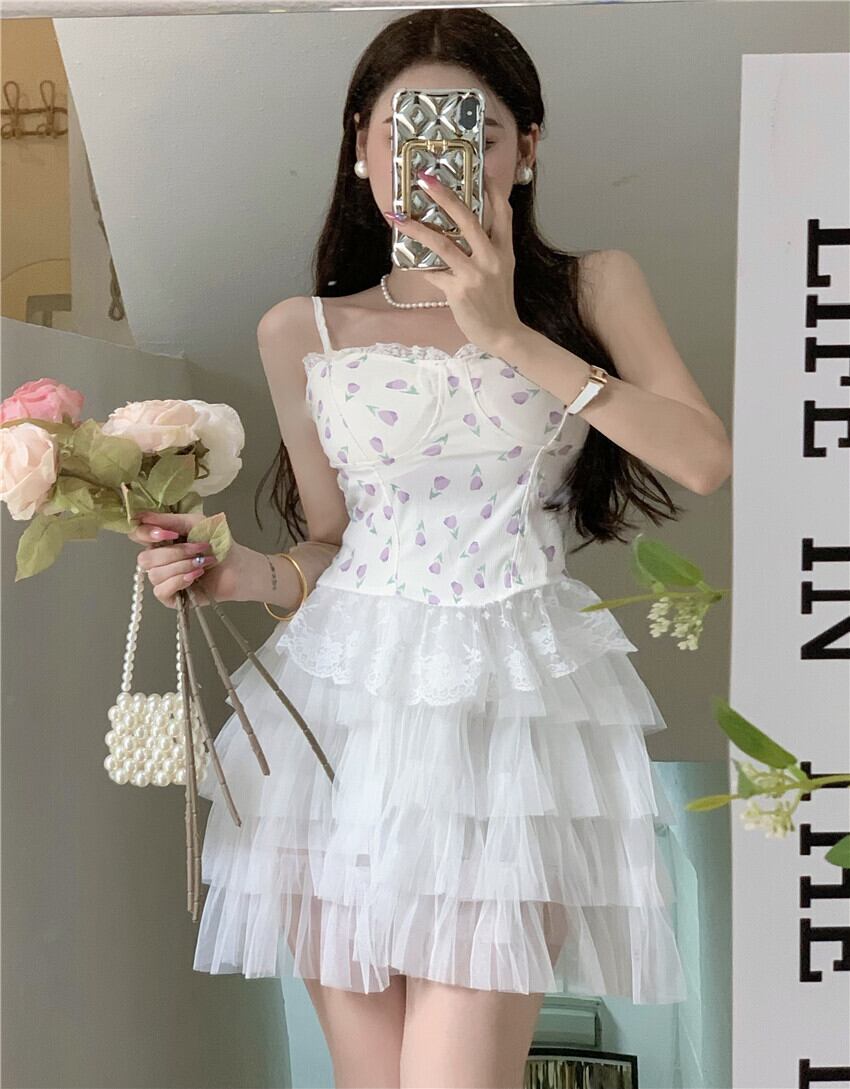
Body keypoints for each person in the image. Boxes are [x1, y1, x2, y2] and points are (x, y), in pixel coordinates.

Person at [130, 8, 732, 1088]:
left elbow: (702, 458)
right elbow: (331, 544)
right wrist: (243, 574)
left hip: (508, 722)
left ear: (526, 149)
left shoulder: (593, 287)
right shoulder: (300, 329)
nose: (437, 159)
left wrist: (508, 335)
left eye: (476, 131)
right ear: (361, 148)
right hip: (336, 726)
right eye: (402, 131)